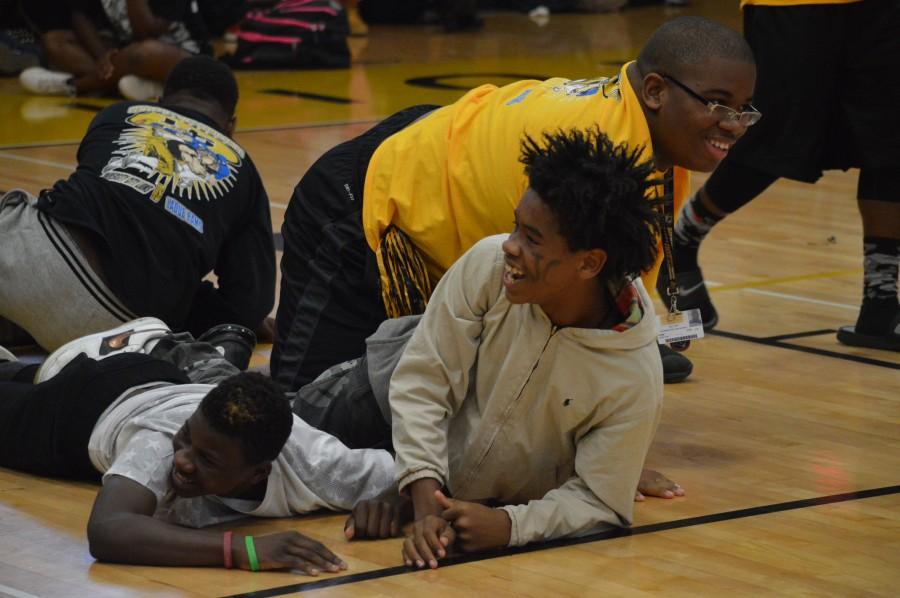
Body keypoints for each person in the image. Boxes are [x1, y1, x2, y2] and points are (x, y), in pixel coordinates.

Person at [271, 16, 758, 391]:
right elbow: (557, 322)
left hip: (441, 148)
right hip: (366, 193)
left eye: (742, 109)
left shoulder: (651, 145)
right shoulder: (594, 153)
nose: (733, 124)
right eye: (717, 104)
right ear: (654, 91)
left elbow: (607, 305)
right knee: (303, 416)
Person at [293, 128, 680, 565]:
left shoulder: (633, 375)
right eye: (516, 225)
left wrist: (511, 526)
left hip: (451, 479)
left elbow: (599, 501)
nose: (509, 246)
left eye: (532, 239)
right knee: (262, 439)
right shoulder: (488, 262)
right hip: (374, 398)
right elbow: (423, 381)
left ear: (589, 263)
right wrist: (420, 496)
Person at [0, 317, 394, 573]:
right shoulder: (159, 446)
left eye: (207, 459)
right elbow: (107, 530)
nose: (184, 461)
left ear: (259, 472)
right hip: (81, 411)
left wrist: (396, 501)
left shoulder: (317, 463)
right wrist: (242, 550)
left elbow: (418, 473)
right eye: (187, 439)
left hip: (161, 383)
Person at [658, 0, 900, 352]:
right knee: (770, 143)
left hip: (881, 10)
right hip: (795, 8)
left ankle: (881, 303)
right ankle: (682, 242)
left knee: (889, 144)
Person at [0, 56, 276, 353]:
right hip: (121, 329)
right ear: (231, 126)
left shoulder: (120, 112)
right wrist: (187, 297)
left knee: (24, 204)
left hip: (25, 261)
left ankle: (22, 314)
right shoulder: (243, 169)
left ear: (158, 101)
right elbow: (248, 304)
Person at [18, 0, 209, 100]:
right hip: (125, 50)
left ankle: (73, 86)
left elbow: (146, 32)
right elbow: (80, 15)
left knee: (145, 52)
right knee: (55, 42)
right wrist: (102, 56)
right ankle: (138, 85)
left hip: (183, 54)